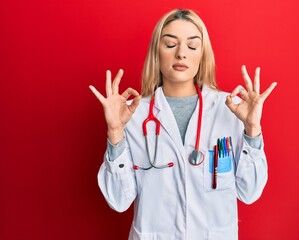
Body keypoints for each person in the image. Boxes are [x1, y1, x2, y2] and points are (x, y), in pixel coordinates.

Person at [89, 9, 277, 240]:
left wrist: (252, 130)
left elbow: (250, 192)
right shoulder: (132, 113)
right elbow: (118, 200)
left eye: (192, 45)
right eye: (170, 44)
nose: (181, 54)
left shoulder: (232, 109)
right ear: (156, 53)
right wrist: (116, 131)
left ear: (202, 54)